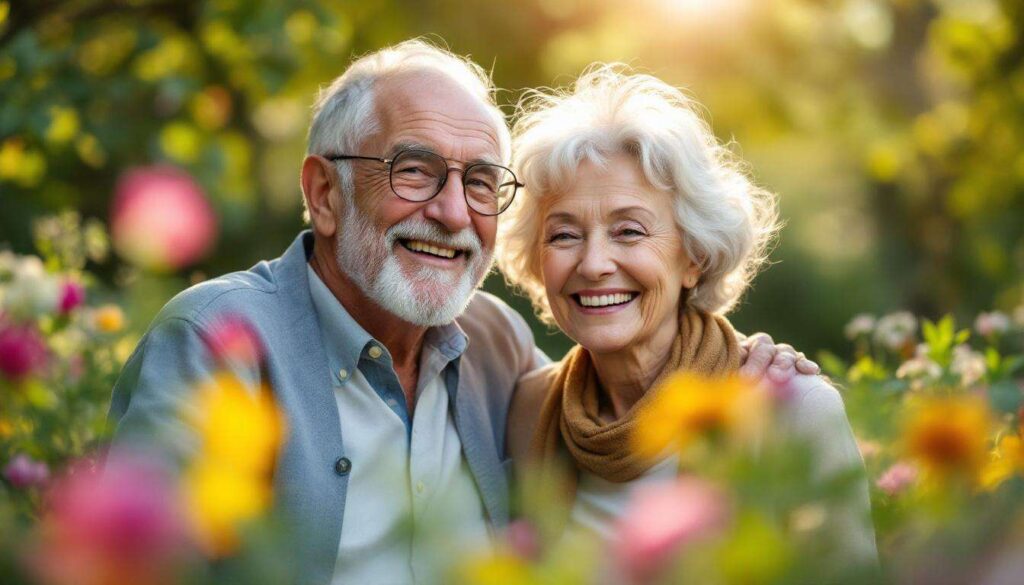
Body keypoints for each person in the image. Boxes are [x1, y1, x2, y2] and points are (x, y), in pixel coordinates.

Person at [107, 41, 819, 584]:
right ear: (324, 194)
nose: (452, 212)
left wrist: (749, 363)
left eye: (479, 181)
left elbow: (625, 381)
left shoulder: (492, 344)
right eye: (414, 170)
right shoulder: (216, 343)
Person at [500, 66, 877, 566]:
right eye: (564, 235)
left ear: (694, 256)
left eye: (629, 231)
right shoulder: (530, 411)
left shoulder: (792, 412)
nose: (593, 264)